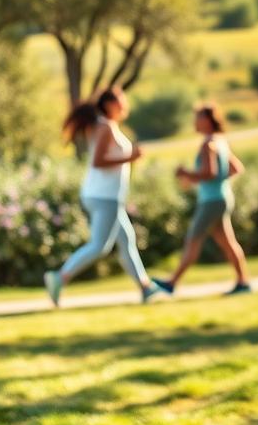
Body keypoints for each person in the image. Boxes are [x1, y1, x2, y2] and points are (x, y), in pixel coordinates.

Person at [44, 86, 166, 306]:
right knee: (100, 246)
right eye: (120, 100)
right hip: (104, 196)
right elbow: (99, 161)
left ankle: (145, 287)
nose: (124, 104)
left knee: (126, 241)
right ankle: (60, 277)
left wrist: (129, 158)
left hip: (107, 196)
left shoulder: (105, 126)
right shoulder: (105, 127)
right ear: (109, 104)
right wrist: (130, 157)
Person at [152, 103, 251, 296]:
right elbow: (234, 169)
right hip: (221, 197)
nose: (195, 122)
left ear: (207, 120)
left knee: (193, 239)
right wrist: (209, 180)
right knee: (228, 243)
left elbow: (210, 173)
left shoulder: (208, 145)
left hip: (211, 201)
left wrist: (186, 174)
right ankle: (243, 282)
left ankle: (172, 283)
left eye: (197, 118)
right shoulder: (220, 142)